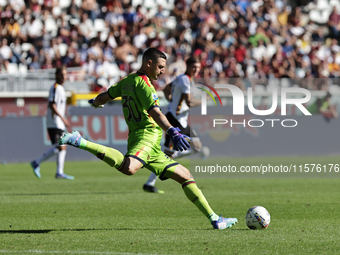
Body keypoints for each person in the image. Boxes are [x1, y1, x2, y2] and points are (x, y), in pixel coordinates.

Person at [58, 48, 237, 229]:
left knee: (185, 176)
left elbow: (106, 96)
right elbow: (156, 113)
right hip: (147, 136)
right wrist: (173, 131)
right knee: (129, 168)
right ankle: (81, 141)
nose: (162, 71)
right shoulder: (145, 85)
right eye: (160, 67)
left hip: (148, 143)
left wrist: (95, 102)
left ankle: (215, 219)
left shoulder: (127, 81)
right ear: (148, 63)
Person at [143, 57, 210, 193]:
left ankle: (163, 162)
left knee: (196, 147)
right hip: (174, 120)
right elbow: (189, 102)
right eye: (194, 67)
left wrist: (170, 98)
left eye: (198, 68)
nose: (196, 70)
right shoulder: (185, 80)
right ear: (188, 66)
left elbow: (167, 88)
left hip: (182, 120)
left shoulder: (183, 79)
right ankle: (149, 182)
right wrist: (205, 100)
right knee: (176, 152)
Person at [30, 66, 74, 180]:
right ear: (57, 75)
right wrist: (63, 118)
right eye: (62, 74)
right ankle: (37, 162)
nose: (64, 77)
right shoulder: (55, 87)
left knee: (61, 147)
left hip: (58, 121)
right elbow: (51, 104)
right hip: (55, 121)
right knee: (61, 146)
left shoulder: (61, 88)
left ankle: (59, 172)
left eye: (65, 74)